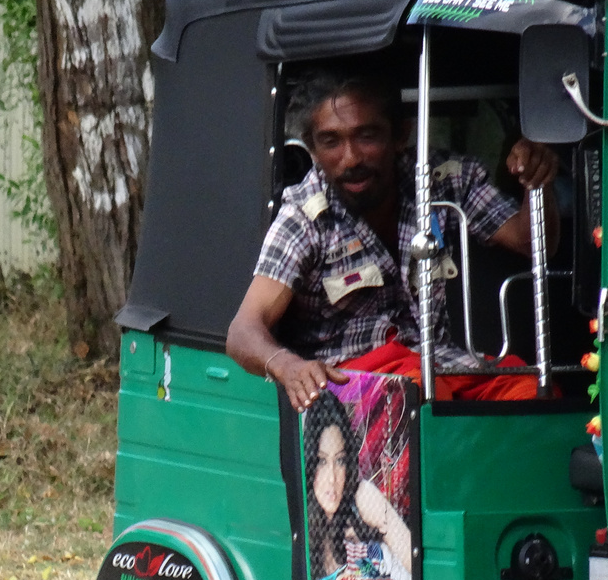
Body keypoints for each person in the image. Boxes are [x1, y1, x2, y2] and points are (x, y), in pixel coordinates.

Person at [226, 64, 559, 413]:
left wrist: (536, 179)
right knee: (422, 401)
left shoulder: (441, 180)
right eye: (331, 142)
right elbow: (244, 330)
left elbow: (534, 242)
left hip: (437, 365)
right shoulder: (305, 216)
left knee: (532, 391)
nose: (351, 158)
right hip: (351, 386)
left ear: (400, 135)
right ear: (312, 148)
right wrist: (288, 366)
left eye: (367, 136)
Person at [303, 389, 412, 580]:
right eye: (321, 461)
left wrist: (383, 515)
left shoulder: (358, 512)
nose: (332, 477)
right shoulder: (304, 532)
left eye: (339, 461)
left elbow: (422, 578)